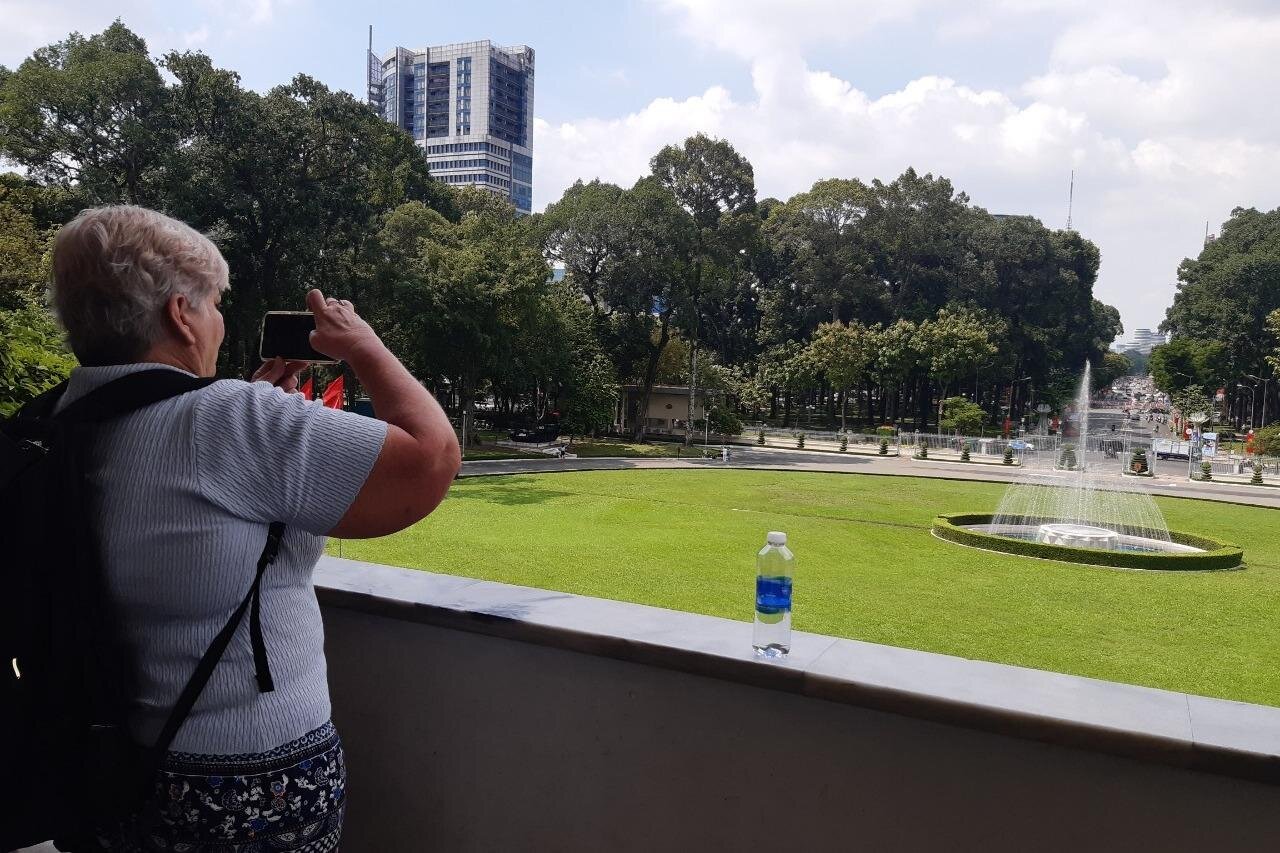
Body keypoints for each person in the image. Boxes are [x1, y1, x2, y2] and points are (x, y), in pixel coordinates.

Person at [48, 205, 460, 850]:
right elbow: (429, 462)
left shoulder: (54, 421)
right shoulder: (228, 420)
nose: (218, 322)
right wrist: (363, 346)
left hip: (102, 769)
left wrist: (259, 413)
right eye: (214, 305)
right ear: (180, 315)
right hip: (249, 784)